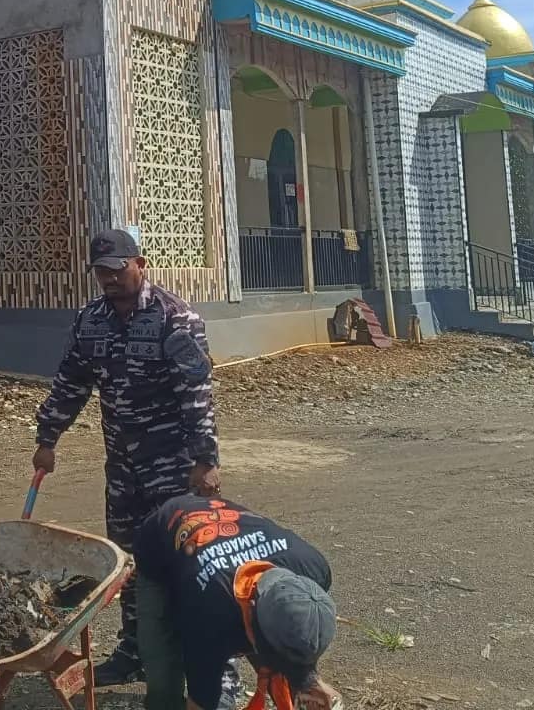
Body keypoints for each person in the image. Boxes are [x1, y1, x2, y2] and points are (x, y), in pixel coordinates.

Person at [32, 228, 220, 686]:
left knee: (180, 558)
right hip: (123, 467)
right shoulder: (90, 320)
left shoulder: (175, 318)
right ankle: (135, 650)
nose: (110, 279)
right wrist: (48, 437)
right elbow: (71, 382)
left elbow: (196, 393)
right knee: (127, 561)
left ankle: (185, 654)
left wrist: (206, 460)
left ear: (140, 264)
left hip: (173, 465)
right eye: (102, 272)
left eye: (117, 269)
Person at [134, 494, 340, 710]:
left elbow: (295, 639)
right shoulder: (208, 616)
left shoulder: (314, 570)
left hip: (220, 541)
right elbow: (199, 704)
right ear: (250, 612)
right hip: (160, 543)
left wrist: (310, 683)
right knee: (162, 671)